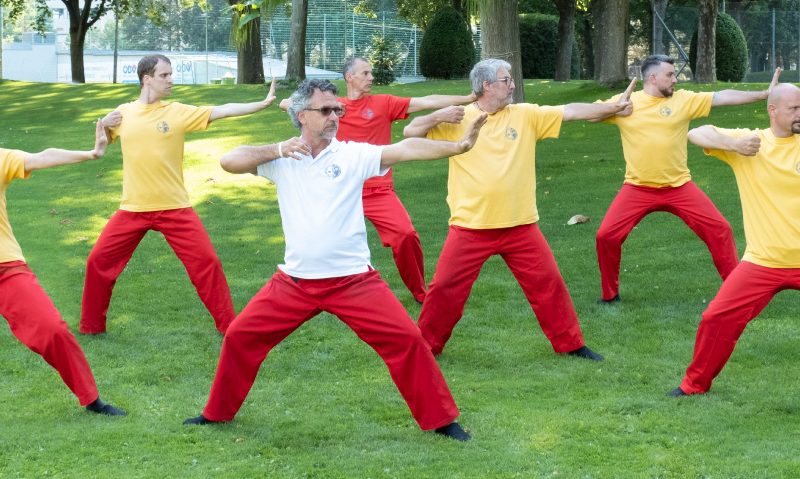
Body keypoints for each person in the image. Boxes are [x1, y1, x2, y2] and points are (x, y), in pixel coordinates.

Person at [183, 79, 488, 441]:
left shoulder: (352, 155)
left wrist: (458, 146)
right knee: (239, 337)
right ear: (301, 115)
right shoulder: (282, 161)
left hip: (354, 282)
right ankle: (216, 414)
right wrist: (278, 149)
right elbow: (228, 160)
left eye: (337, 109)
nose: (334, 116)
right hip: (294, 282)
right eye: (325, 110)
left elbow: (404, 149)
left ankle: (443, 421)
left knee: (408, 340)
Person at [403, 58, 631, 359]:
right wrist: (437, 116)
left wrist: (613, 106)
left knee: (548, 284)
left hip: (520, 224)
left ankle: (571, 344)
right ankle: (427, 348)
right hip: (471, 226)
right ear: (486, 85)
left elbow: (572, 111)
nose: (512, 85)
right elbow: (410, 132)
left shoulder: (525, 114)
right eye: (506, 80)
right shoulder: (458, 119)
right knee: (445, 289)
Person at [80, 54, 278, 335]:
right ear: (146, 79)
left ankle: (230, 327)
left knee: (207, 264)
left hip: (174, 207)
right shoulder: (123, 113)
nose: (171, 79)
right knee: (97, 262)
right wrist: (102, 126)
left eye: (171, 74)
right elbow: (101, 144)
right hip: (133, 208)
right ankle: (91, 327)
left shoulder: (177, 112)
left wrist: (261, 103)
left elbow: (222, 110)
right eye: (164, 75)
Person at [281, 57, 475, 303]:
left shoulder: (384, 103)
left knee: (405, 235)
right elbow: (292, 104)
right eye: (365, 73)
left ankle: (420, 292)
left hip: (377, 189)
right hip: (339, 187)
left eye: (371, 73)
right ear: (349, 77)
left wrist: (467, 99)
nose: (371, 77)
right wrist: (286, 103)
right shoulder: (331, 108)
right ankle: (312, 283)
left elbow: (426, 101)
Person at [594, 54, 781, 303]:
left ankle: (738, 292)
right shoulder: (628, 103)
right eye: (670, 75)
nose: (675, 79)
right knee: (606, 236)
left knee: (720, 229)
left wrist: (762, 94)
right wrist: (613, 107)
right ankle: (610, 295)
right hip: (637, 188)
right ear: (652, 78)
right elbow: (590, 115)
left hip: (679, 186)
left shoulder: (683, 100)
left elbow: (720, 96)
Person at [669, 83, 800, 397]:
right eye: (794, 109)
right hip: (762, 262)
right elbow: (696, 132)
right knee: (716, 318)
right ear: (773, 110)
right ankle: (694, 386)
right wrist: (735, 144)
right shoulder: (752, 144)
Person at [0, 121, 125, 416]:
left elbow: (42, 157)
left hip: (5, 267)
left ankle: (92, 399)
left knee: (52, 330)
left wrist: (91, 154)